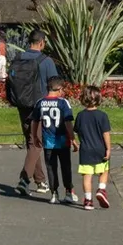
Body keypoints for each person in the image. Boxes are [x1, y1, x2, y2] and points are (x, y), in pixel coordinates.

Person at [6, 28, 58, 196]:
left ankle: (41, 181)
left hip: (22, 105)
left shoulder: (18, 58)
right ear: (42, 42)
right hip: (40, 106)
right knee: (37, 143)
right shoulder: (46, 61)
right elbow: (55, 86)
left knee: (31, 142)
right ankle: (24, 179)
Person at [36, 76, 77, 205]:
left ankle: (54, 193)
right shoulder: (63, 102)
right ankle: (69, 192)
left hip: (48, 141)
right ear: (59, 89)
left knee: (51, 167)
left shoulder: (40, 102)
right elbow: (68, 122)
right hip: (63, 141)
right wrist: (73, 139)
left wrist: (35, 136)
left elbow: (34, 121)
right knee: (66, 166)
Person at [74, 85, 112, 210]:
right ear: (99, 98)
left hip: (86, 149)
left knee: (87, 176)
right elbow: (105, 133)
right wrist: (108, 148)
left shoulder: (80, 115)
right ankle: (101, 189)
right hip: (99, 148)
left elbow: (77, 131)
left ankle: (88, 200)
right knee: (104, 170)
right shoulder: (102, 116)